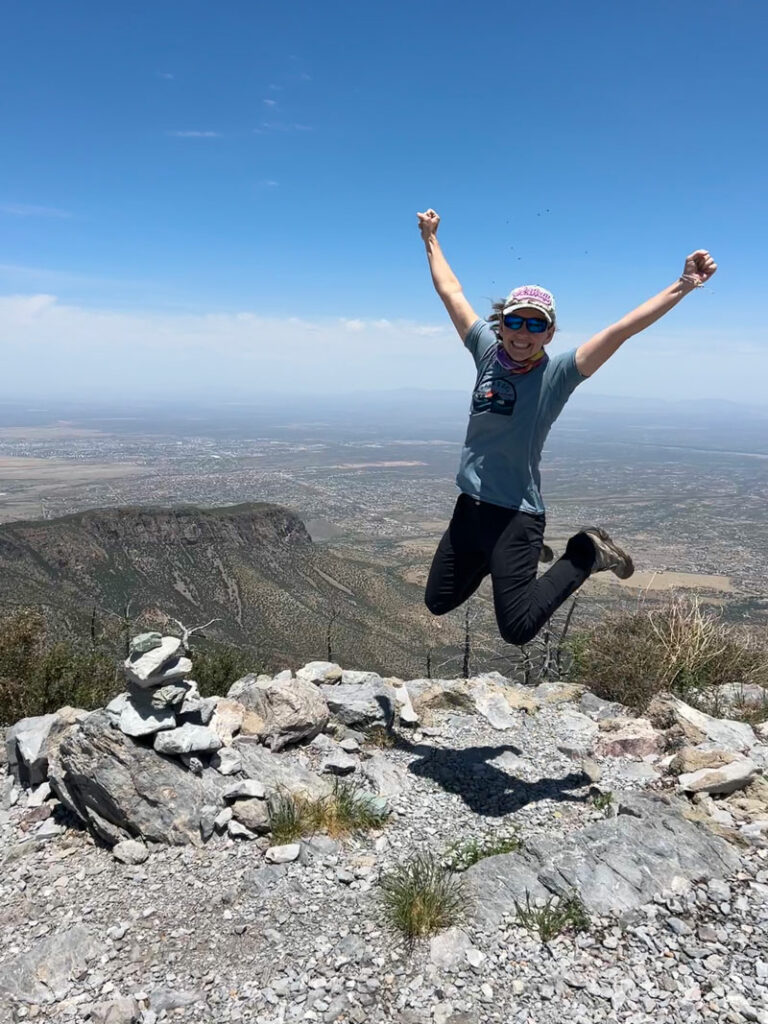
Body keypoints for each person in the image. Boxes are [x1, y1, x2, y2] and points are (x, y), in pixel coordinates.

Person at [418, 207, 717, 645]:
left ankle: (587, 551)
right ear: (500, 326)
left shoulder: (557, 374)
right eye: (514, 321)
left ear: (549, 333)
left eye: (535, 324)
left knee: (517, 629)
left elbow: (621, 331)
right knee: (438, 601)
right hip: (471, 507)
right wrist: (430, 238)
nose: (522, 332)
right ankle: (502, 559)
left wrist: (684, 285)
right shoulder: (485, 351)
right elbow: (451, 291)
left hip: (516, 513)